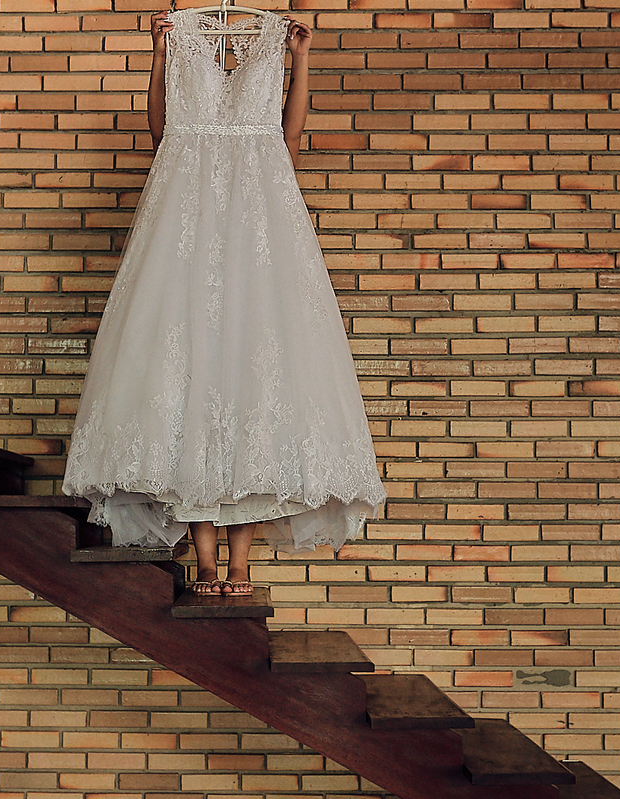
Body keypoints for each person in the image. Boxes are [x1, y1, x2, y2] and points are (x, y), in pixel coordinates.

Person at [62, 6, 385, 598]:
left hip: (256, 240)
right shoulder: (182, 43)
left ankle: (239, 564)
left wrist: (300, 58)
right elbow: (161, 136)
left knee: (254, 393)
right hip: (185, 241)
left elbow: (287, 139)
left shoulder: (272, 45)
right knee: (189, 387)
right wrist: (159, 54)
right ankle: (208, 562)